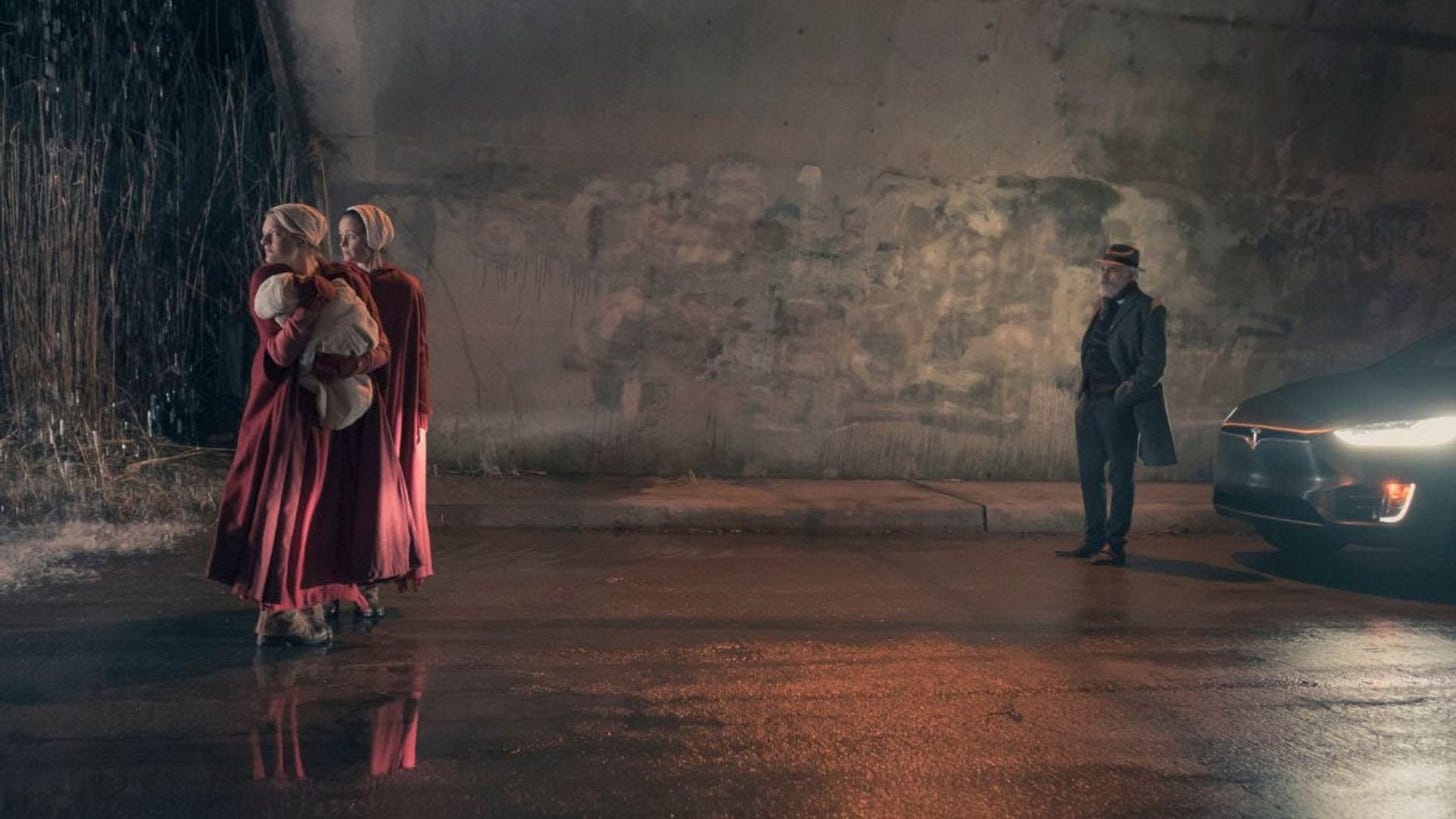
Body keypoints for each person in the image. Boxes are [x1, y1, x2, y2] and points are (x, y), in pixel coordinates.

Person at [206, 203, 415, 646]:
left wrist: (348, 364)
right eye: (263, 235)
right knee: (285, 509)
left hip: (346, 415)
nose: (263, 243)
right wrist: (307, 308)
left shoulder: (349, 278)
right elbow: (279, 354)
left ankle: (311, 601)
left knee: (325, 509)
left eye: (273, 235)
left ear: (302, 240)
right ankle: (279, 612)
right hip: (290, 412)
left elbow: (382, 347)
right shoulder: (268, 283)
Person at [337, 204, 433, 615]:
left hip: (388, 401)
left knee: (378, 491)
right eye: (340, 235)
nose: (343, 244)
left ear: (373, 238)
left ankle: (370, 579)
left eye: (352, 235)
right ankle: (338, 578)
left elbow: (417, 351)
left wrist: (417, 408)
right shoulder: (337, 283)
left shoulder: (403, 288)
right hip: (347, 397)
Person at [1056, 243, 1177, 567]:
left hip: (1117, 405)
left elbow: (1153, 365)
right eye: (1103, 269)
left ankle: (1114, 544)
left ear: (1131, 274)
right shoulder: (1102, 304)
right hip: (1090, 402)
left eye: (1112, 269)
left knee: (1120, 477)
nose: (1105, 275)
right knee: (1089, 474)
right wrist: (1085, 393)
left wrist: (1123, 396)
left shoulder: (1149, 309)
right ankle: (1093, 538)